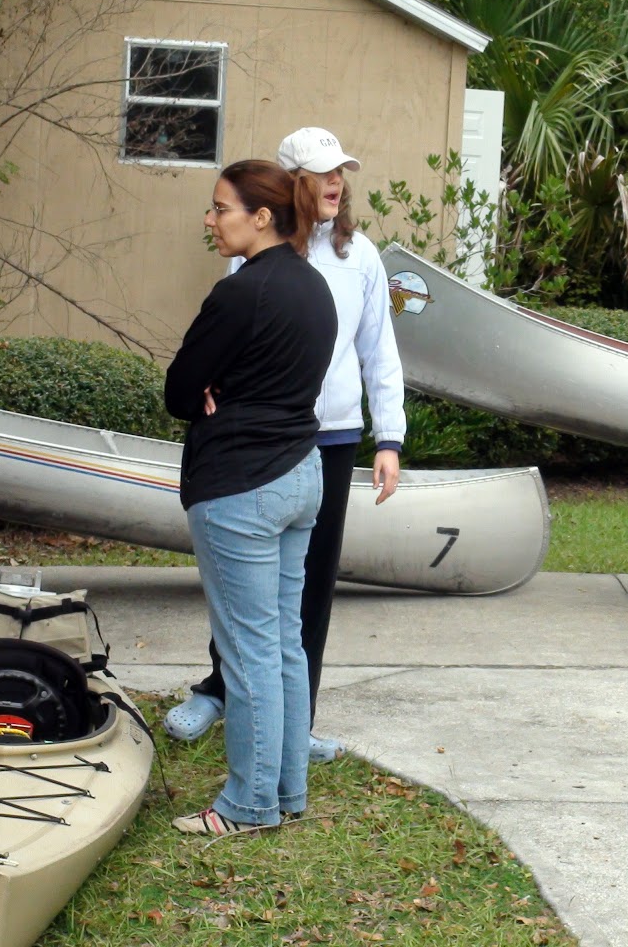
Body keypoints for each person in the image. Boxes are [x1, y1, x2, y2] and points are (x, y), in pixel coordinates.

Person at [165, 127, 407, 764]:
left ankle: (293, 726)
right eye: (323, 173)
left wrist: (391, 437)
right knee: (246, 588)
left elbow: (379, 350)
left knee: (306, 588)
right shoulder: (253, 258)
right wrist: (209, 386)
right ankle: (220, 690)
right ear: (289, 185)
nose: (337, 183)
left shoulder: (360, 257)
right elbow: (226, 338)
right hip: (256, 439)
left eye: (342, 172)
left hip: (326, 439)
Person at [163, 159, 337, 835]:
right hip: (300, 476)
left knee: (250, 652)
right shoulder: (314, 288)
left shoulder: (239, 294)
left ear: (261, 216)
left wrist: (213, 388)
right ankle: (287, 790)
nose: (210, 221)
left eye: (220, 208)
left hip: (241, 486)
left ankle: (249, 805)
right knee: (283, 644)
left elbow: (181, 391)